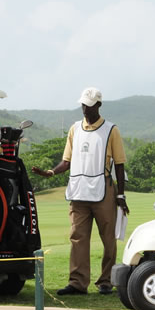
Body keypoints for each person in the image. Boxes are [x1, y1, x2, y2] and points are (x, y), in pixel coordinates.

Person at [31, 87, 130, 295]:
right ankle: (77, 282)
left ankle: (106, 280)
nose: (85, 109)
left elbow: (119, 165)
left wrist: (121, 195)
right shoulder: (75, 129)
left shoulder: (111, 130)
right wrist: (50, 172)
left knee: (108, 238)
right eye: (83, 104)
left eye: (90, 105)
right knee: (77, 237)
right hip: (78, 191)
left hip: (104, 189)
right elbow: (66, 161)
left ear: (99, 105)